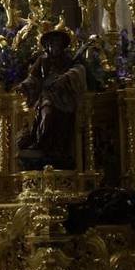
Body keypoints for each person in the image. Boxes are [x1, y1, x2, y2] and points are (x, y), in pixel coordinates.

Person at [18, 29, 88, 169]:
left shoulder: (68, 60)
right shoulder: (42, 60)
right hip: (47, 95)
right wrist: (23, 85)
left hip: (64, 98)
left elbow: (78, 70)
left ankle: (57, 149)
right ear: (47, 46)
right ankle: (40, 142)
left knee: (63, 121)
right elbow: (33, 77)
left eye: (58, 43)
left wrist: (67, 77)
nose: (55, 47)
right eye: (52, 44)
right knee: (47, 114)